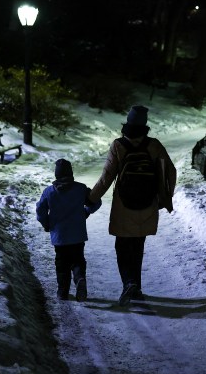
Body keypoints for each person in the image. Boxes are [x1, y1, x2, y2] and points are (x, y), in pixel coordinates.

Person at [89, 105, 176, 306]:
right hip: (147, 204)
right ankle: (135, 286)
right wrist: (165, 197)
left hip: (123, 205)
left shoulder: (118, 145)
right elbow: (170, 171)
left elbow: (106, 178)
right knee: (138, 247)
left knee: (122, 247)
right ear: (144, 124)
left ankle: (128, 283)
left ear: (127, 122)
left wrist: (90, 199)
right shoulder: (154, 145)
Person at [36, 158, 101, 301]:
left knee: (62, 264)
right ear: (71, 173)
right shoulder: (81, 188)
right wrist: (86, 211)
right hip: (77, 235)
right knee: (78, 260)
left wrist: (47, 224)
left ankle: (62, 292)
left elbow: (40, 211)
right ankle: (79, 279)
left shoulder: (49, 192)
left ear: (56, 174)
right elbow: (95, 201)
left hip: (59, 237)